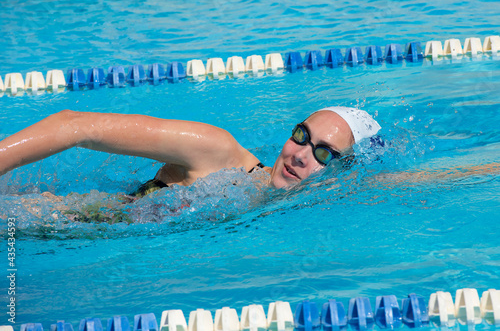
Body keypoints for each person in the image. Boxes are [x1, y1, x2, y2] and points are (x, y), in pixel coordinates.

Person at [0, 106, 381, 197]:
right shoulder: (217, 152)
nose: (300, 154)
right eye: (301, 135)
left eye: (324, 154)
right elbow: (75, 125)